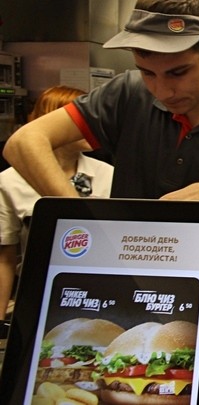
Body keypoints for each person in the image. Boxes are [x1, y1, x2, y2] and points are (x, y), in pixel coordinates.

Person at [2, 0, 199, 240]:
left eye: (178, 73)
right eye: (147, 73)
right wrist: (81, 219)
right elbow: (24, 143)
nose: (162, 91)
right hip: (123, 276)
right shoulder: (128, 93)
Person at [0, 86, 114, 317]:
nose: (92, 129)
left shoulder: (109, 174)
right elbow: (5, 258)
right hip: (37, 292)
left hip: (101, 288)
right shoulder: (9, 181)